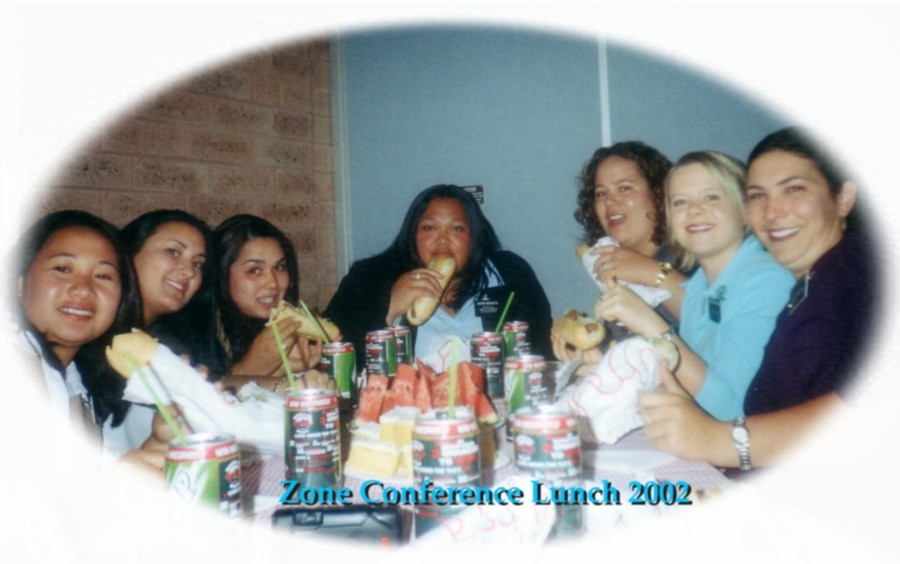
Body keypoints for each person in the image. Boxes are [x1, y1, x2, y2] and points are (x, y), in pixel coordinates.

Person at [638, 127, 876, 470]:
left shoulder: (861, 274)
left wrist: (721, 441)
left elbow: (863, 415)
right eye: (758, 196)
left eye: (794, 189)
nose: (773, 212)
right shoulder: (812, 286)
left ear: (843, 198)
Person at [595, 151, 794, 420]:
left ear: (746, 212)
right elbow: (688, 388)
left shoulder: (767, 281)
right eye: (680, 202)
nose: (694, 210)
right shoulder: (701, 284)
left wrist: (655, 328)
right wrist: (601, 370)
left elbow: (731, 411)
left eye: (711, 197)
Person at [324, 183, 553, 370]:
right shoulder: (369, 277)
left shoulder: (510, 274)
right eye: (429, 228)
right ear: (412, 234)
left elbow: (542, 352)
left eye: (457, 229)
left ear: (475, 237)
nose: (443, 240)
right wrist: (389, 309)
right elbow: (332, 356)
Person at [10, 210, 172, 468]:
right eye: (63, 269)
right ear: (19, 283)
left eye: (103, 276)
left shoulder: (74, 378)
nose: (84, 288)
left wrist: (159, 440)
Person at [211, 214, 328, 393]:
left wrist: (284, 367)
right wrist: (253, 366)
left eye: (279, 267)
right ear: (221, 274)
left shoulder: (275, 324)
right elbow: (200, 402)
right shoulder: (198, 332)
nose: (273, 283)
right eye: (254, 270)